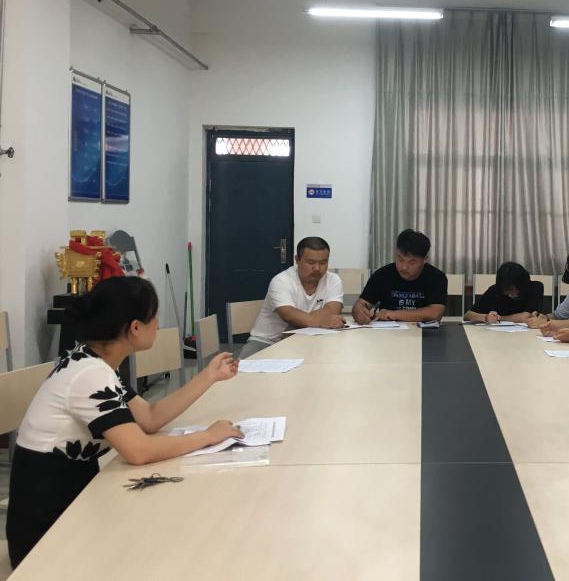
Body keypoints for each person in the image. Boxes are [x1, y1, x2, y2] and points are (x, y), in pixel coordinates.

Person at [6, 277, 242, 568]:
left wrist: (208, 376)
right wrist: (207, 436)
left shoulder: (93, 361)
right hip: (47, 535)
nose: (158, 324)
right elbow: (138, 451)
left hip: (72, 504)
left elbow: (149, 417)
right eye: (154, 317)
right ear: (135, 328)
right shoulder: (90, 374)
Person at [248, 236, 344, 346]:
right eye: (311, 262)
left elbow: (333, 309)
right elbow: (288, 314)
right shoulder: (281, 280)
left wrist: (295, 326)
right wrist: (318, 321)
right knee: (247, 358)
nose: (317, 268)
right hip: (267, 341)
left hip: (307, 339)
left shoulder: (333, 279)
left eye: (323, 262)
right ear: (297, 260)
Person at [353, 229, 448, 323]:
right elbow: (361, 304)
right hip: (387, 330)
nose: (404, 267)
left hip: (423, 331)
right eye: (400, 259)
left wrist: (395, 314)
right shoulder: (381, 275)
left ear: (425, 259)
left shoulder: (436, 277)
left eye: (412, 262)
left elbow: (435, 313)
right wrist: (358, 312)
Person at [464, 261, 545, 323]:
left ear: (522, 284)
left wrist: (499, 318)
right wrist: (486, 317)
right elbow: (467, 315)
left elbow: (525, 318)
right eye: (506, 289)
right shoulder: (495, 290)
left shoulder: (535, 287)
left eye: (512, 289)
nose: (509, 293)